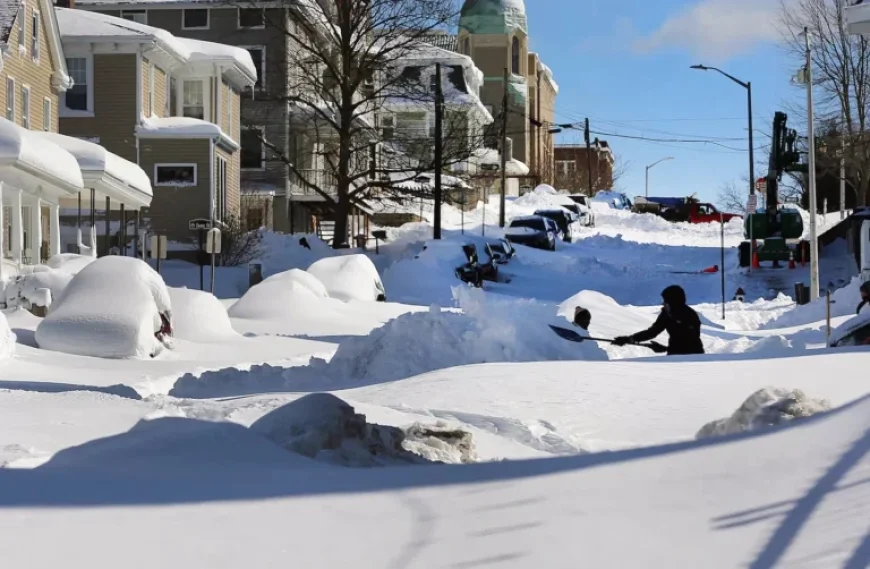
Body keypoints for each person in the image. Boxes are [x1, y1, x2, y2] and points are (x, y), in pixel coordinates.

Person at [614, 285, 705, 355]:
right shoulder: (666, 314)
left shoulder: (690, 315)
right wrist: (630, 339)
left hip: (694, 356)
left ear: (673, 301)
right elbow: (653, 331)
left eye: (666, 300)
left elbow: (690, 340)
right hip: (674, 355)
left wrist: (666, 349)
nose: (663, 303)